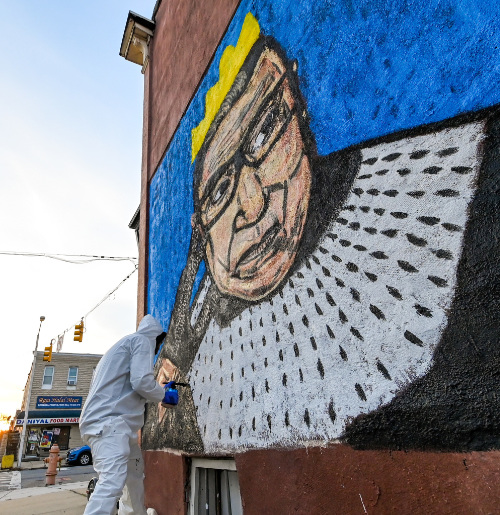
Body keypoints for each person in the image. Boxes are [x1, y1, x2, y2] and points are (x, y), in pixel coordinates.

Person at [80, 314, 170, 515]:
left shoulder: (120, 348)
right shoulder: (141, 341)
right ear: (155, 336)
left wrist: (155, 391)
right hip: (109, 424)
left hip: (114, 425)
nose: (157, 349)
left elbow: (128, 389)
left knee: (134, 479)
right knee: (112, 482)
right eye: (158, 343)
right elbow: (140, 382)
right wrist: (164, 394)